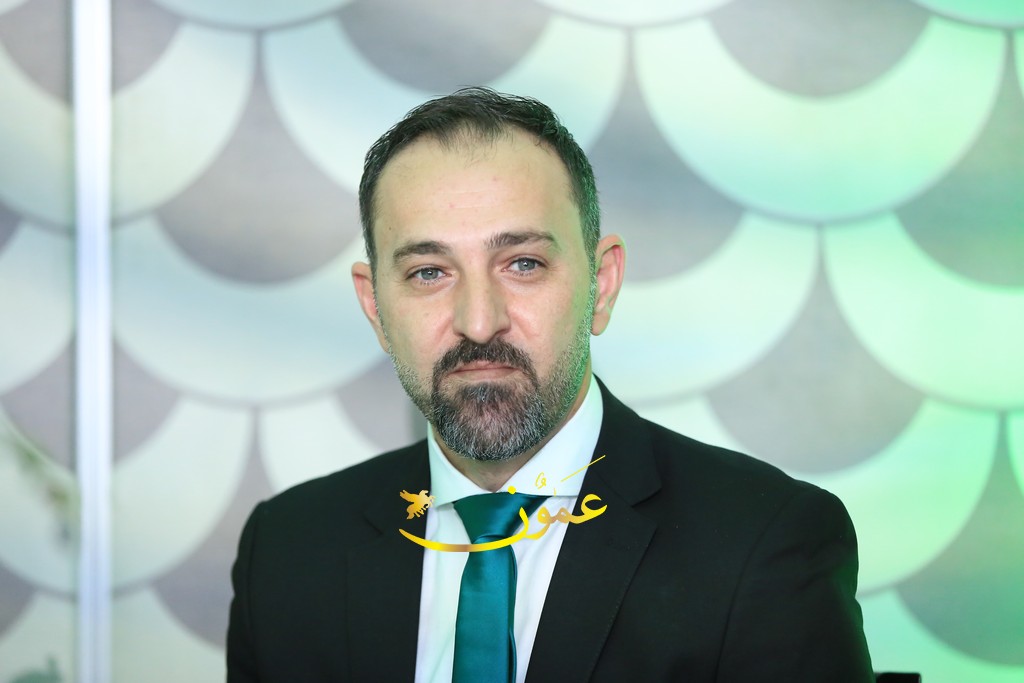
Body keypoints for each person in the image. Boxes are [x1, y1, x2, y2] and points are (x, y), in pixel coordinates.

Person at [226, 87, 874, 682]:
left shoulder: (764, 545)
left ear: (602, 285)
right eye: (429, 272)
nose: (479, 321)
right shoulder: (284, 554)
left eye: (523, 263)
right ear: (375, 308)